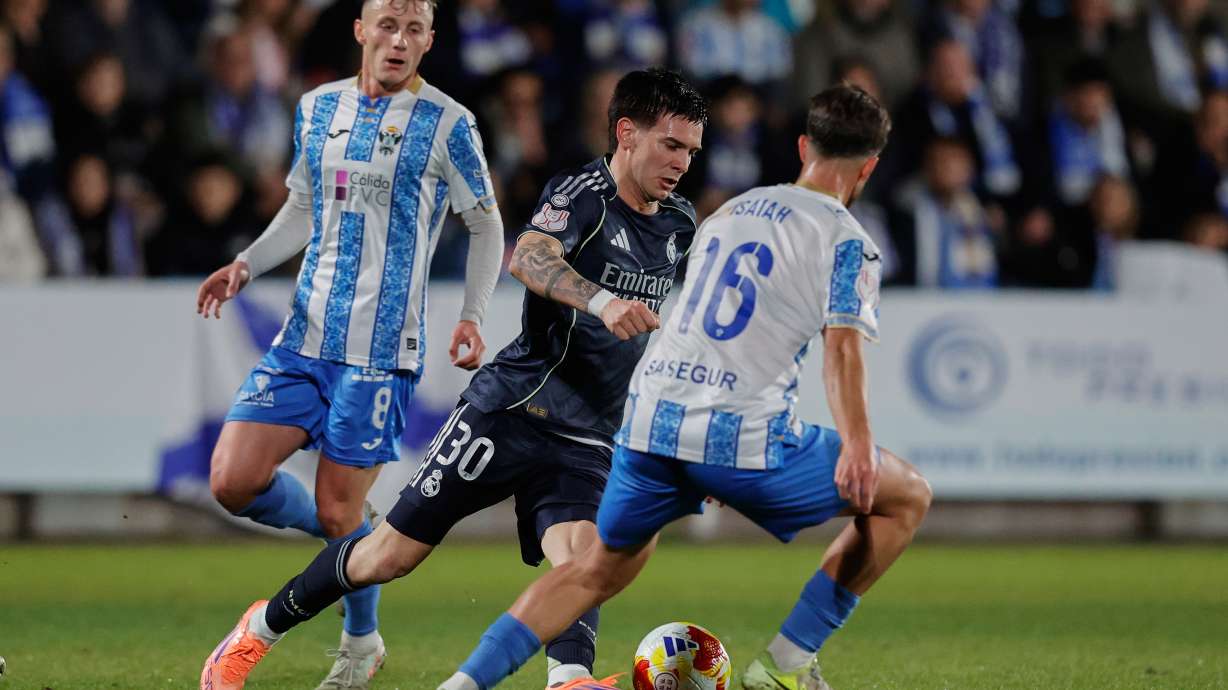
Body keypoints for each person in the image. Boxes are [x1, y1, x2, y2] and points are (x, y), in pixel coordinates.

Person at [199, 67, 708, 690]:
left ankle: (569, 679)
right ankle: (258, 630)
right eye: (671, 145)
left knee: (584, 560)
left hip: (591, 432)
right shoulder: (582, 196)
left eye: (691, 150)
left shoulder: (679, 223)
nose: (683, 162)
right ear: (627, 133)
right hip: (513, 410)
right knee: (388, 555)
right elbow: (530, 256)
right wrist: (602, 302)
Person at [434, 83, 934, 690]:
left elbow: (690, 324)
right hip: (732, 434)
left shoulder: (732, 213)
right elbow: (844, 351)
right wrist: (857, 443)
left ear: (804, 146)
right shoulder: (847, 241)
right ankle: (785, 665)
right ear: (871, 166)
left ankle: (461, 685)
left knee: (594, 571)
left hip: (650, 422)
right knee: (906, 496)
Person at [195, 1, 505, 687]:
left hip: (380, 352)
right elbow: (304, 205)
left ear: (428, 41)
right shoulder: (316, 108)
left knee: (339, 509)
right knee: (231, 481)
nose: (398, 40)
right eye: (387, 26)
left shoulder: (449, 124)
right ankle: (359, 536)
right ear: (362, 31)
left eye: (414, 29)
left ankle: (360, 641)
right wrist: (246, 262)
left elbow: (486, 226)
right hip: (304, 336)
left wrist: (472, 315)